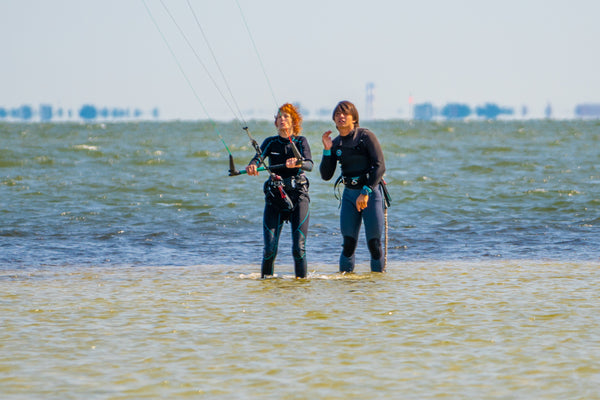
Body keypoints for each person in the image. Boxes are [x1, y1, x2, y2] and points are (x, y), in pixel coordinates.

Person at [246, 103, 313, 278]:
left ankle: (301, 286)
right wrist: (253, 166)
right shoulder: (270, 142)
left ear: (293, 121)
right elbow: (258, 158)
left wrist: (298, 163)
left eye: (286, 116)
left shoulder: (300, 141)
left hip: (298, 196)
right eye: (279, 116)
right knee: (269, 250)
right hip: (275, 197)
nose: (282, 119)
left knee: (298, 249)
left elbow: (309, 164)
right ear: (275, 122)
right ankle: (266, 287)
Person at [320, 100, 387, 273]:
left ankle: (378, 288)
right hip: (349, 195)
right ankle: (347, 288)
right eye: (337, 114)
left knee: (374, 244)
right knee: (348, 244)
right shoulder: (336, 144)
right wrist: (327, 150)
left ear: (354, 118)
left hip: (370, 194)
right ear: (334, 120)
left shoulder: (365, 136)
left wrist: (366, 192)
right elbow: (326, 175)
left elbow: (380, 166)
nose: (341, 116)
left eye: (345, 113)